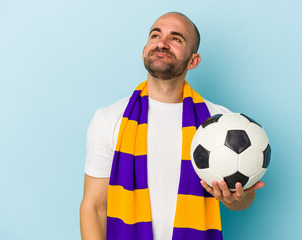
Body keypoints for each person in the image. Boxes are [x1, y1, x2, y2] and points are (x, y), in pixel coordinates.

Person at [80, 12, 264, 240]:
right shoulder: (108, 119)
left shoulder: (220, 123)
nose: (162, 43)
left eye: (176, 39)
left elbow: (241, 202)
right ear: (144, 50)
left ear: (193, 61)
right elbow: (94, 206)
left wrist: (237, 199)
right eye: (156, 35)